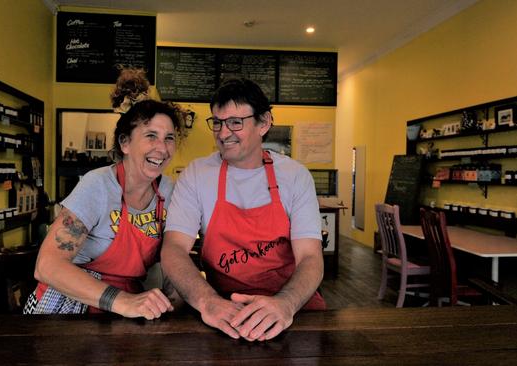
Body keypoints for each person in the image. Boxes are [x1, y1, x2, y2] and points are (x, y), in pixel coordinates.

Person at [161, 78, 325, 341]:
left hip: (292, 309)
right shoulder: (197, 174)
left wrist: (286, 303)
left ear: (264, 123)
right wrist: (207, 302)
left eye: (236, 122)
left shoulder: (295, 176)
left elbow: (310, 257)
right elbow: (173, 249)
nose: (224, 133)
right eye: (217, 122)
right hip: (224, 310)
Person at [24, 71, 185, 319]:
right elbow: (47, 266)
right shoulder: (97, 185)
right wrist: (122, 302)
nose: (162, 149)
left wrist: (176, 303)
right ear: (125, 143)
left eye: (169, 138)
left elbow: (174, 256)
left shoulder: (169, 191)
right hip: (70, 305)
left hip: (129, 307)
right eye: (151, 136)